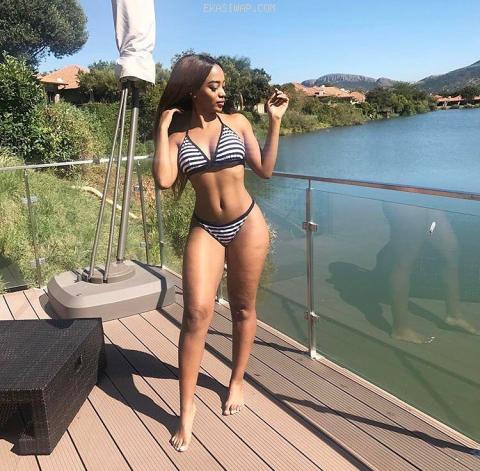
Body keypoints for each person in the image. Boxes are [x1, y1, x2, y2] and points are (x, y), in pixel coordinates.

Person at [152, 53, 289, 452]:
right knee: (196, 313)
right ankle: (186, 409)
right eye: (213, 86)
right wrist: (161, 129)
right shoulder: (177, 138)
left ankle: (236, 380)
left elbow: (264, 170)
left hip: (247, 224)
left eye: (223, 86)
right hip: (206, 229)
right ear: (192, 90)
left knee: (244, 308)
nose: (222, 93)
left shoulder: (238, 123)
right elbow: (164, 180)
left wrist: (275, 122)